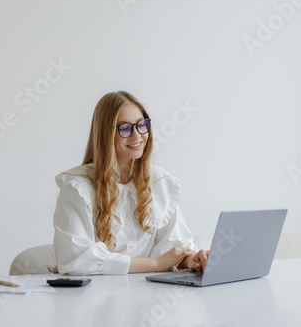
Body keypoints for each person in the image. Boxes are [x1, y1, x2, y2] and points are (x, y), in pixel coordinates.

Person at [48, 91, 208, 275]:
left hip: (145, 294)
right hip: (93, 297)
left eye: (142, 125)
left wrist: (190, 259)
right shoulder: (77, 187)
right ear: (105, 135)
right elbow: (76, 260)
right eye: (125, 128)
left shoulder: (159, 181)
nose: (137, 135)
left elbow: (176, 244)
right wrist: (155, 264)